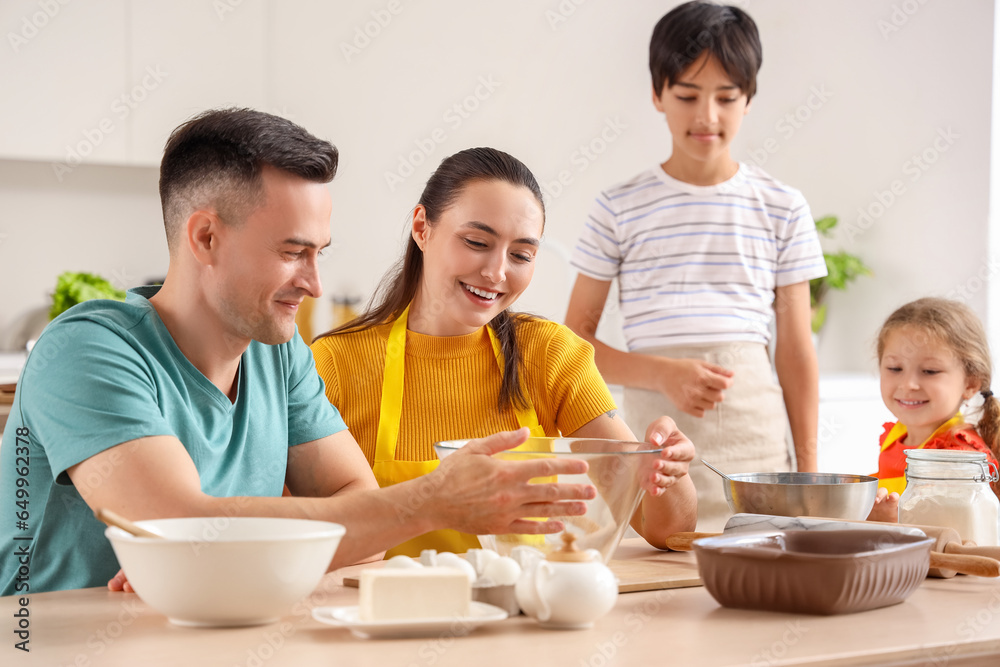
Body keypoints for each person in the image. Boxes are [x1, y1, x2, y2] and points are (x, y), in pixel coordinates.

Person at [0, 109, 599, 596]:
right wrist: (433, 499)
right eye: (292, 252)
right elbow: (176, 529)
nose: (314, 283)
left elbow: (363, 514)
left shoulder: (277, 354)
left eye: (320, 253)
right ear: (205, 237)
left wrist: (219, 550)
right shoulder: (87, 349)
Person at [311, 147, 698, 557]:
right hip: (388, 615)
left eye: (521, 255)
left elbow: (668, 531)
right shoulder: (332, 364)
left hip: (521, 615)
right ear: (422, 228)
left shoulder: (551, 355)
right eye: (477, 241)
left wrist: (666, 469)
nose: (497, 272)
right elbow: (299, 535)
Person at [563, 1, 827, 531]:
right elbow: (574, 344)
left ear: (748, 99)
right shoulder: (618, 206)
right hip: (652, 430)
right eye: (687, 95)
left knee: (759, 573)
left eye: (726, 97)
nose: (707, 117)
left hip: (754, 432)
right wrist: (663, 374)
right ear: (658, 95)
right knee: (657, 569)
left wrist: (809, 471)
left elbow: (796, 349)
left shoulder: (783, 206)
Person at [867, 297, 1000, 522]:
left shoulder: (959, 457)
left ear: (970, 383)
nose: (908, 384)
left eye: (929, 371)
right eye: (895, 368)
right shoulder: (897, 435)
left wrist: (892, 520)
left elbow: (954, 534)